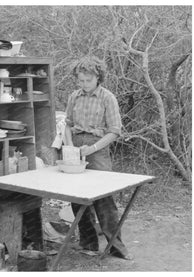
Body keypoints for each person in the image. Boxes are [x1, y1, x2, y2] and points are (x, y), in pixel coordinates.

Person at [64, 55, 132, 260]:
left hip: (97, 148)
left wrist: (92, 148)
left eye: (88, 80)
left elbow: (114, 131)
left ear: (98, 77)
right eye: (80, 80)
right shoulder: (74, 97)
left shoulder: (107, 98)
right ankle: (89, 243)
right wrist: (69, 145)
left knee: (104, 198)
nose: (84, 84)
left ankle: (116, 247)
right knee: (78, 197)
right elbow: (66, 123)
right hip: (75, 147)